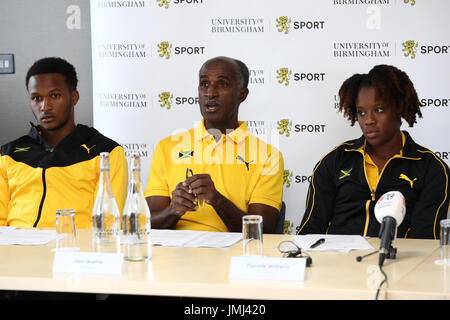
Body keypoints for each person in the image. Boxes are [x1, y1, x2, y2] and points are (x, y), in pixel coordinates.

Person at [298, 64, 449, 239]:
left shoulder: (432, 169)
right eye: (361, 113)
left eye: (378, 110)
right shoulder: (334, 161)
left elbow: (426, 241)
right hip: (339, 263)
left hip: (400, 264)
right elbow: (309, 232)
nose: (368, 120)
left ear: (399, 108)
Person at [145, 56, 284, 233]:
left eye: (222, 84)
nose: (210, 93)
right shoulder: (167, 147)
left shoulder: (269, 156)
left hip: (231, 257)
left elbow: (263, 231)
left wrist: (217, 200)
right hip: (173, 255)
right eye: (204, 84)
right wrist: (173, 210)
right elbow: (148, 225)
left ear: (242, 94)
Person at [0, 57, 128, 228]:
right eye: (37, 98)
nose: (45, 106)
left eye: (54, 95)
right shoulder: (7, 154)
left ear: (74, 97)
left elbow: (108, 224)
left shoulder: (107, 152)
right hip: (15, 250)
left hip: (74, 249)